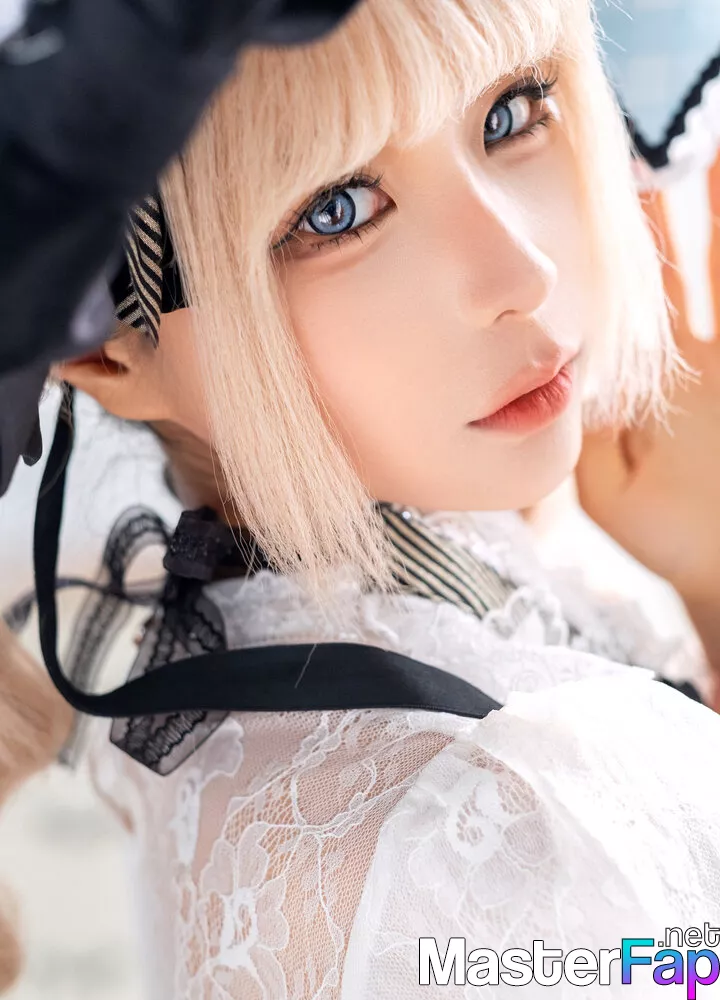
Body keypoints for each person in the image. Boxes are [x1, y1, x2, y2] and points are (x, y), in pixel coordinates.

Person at [2, 0, 720, 995]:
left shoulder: (254, 667)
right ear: (102, 349)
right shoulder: (490, 833)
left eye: (512, 111)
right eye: (335, 210)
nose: (524, 270)